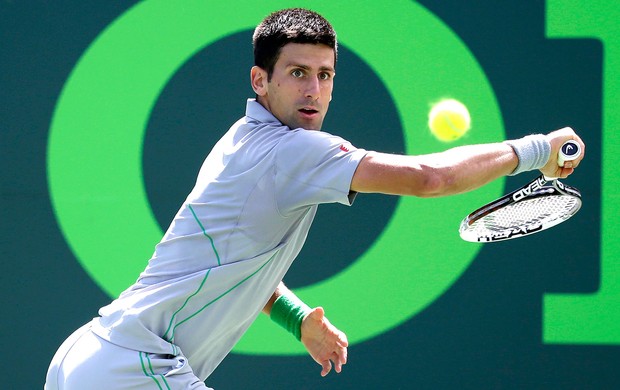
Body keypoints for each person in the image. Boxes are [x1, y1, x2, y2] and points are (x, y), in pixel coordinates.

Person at [45, 7, 585, 389]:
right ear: (261, 80)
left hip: (85, 360)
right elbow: (427, 178)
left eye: (325, 75)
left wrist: (296, 317)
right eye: (298, 73)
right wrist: (534, 149)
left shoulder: (238, 140)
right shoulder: (292, 153)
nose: (314, 90)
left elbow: (234, 266)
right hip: (135, 367)